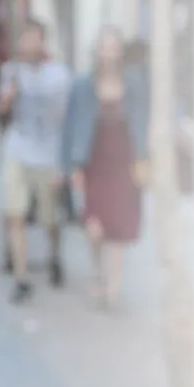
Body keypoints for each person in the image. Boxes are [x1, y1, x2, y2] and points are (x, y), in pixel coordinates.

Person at [63, 29, 149, 310]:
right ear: (97, 52)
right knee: (94, 226)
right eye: (104, 47)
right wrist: (73, 166)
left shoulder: (134, 83)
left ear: (120, 52)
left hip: (122, 160)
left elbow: (141, 121)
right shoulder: (83, 85)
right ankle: (98, 270)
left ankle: (113, 288)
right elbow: (73, 125)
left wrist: (142, 159)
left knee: (118, 226)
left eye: (113, 47)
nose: (108, 53)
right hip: (94, 160)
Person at [0, 20, 74, 304]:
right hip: (17, 150)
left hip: (48, 154)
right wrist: (7, 98)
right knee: (15, 214)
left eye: (33, 39)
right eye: (24, 39)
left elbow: (66, 123)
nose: (28, 45)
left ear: (43, 42)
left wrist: (65, 165)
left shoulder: (59, 76)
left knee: (51, 218)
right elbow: (0, 113)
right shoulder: (11, 71)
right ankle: (22, 277)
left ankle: (55, 255)